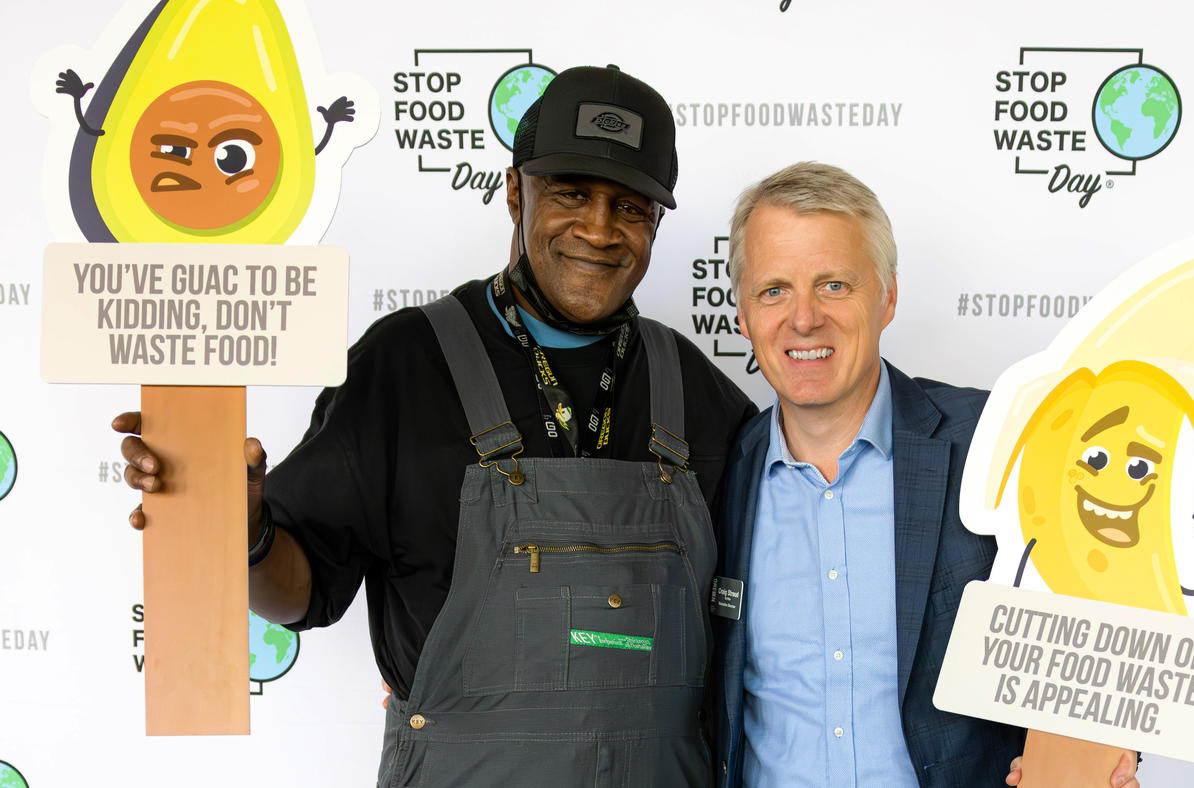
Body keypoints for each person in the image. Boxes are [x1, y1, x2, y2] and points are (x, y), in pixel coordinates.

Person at [115, 65, 754, 786]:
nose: (599, 230)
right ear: (515, 191)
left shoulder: (699, 395)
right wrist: (241, 530)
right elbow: (302, 591)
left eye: (630, 207)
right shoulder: (406, 365)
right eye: (570, 193)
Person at [709, 162, 1140, 787]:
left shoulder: (1001, 442)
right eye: (773, 290)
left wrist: (1091, 761)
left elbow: (1104, 633)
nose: (803, 319)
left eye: (833, 285)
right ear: (743, 315)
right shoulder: (714, 471)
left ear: (886, 297)